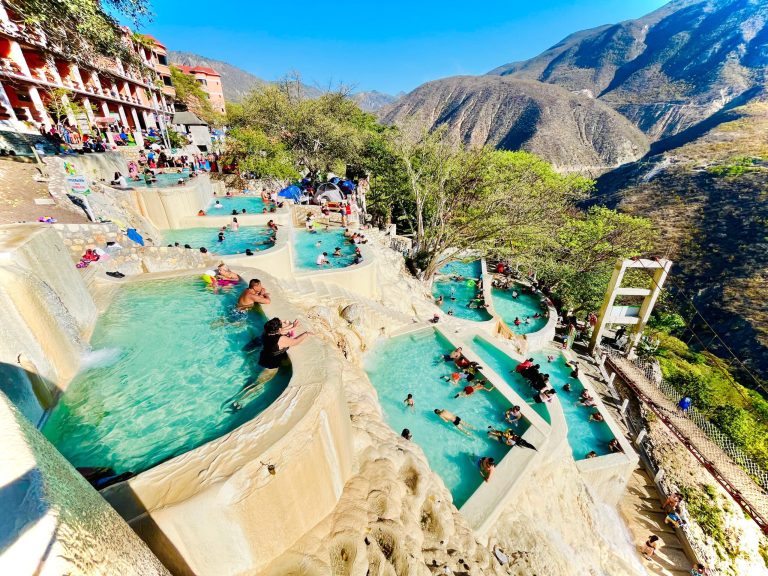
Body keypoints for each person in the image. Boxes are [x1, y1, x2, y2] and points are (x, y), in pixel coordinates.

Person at [228, 318, 312, 411]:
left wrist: (293, 326)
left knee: (252, 381)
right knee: (257, 385)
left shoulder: (265, 334)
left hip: (262, 360)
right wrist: (306, 334)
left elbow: (280, 331)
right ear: (278, 329)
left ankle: (236, 397)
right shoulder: (281, 339)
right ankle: (237, 402)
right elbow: (295, 342)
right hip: (270, 367)